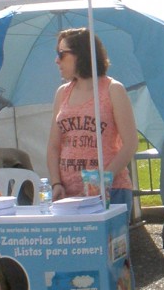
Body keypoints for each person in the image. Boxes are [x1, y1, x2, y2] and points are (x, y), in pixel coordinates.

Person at [46, 27, 137, 208]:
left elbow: (130, 144)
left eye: (61, 54)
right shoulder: (62, 93)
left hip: (111, 191)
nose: (57, 60)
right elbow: (53, 146)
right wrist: (56, 183)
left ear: (81, 54)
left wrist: (103, 180)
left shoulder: (113, 89)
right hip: (69, 194)